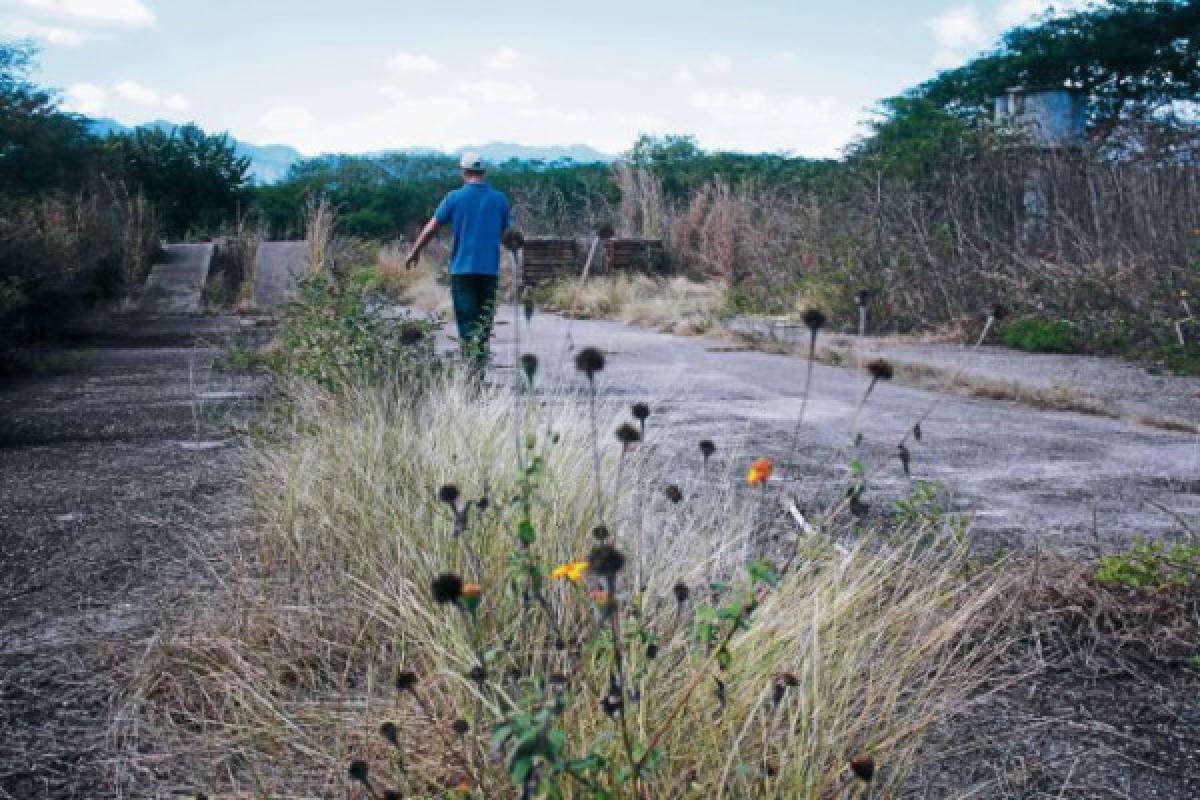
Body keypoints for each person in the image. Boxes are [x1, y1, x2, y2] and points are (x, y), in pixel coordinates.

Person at [406, 152, 511, 375]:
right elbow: (506, 237)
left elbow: (431, 228)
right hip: (488, 271)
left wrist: (415, 251)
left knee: (467, 323)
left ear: (463, 172)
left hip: (462, 271)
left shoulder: (454, 198)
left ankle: (470, 374)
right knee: (483, 323)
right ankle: (478, 372)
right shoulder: (499, 199)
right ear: (483, 172)